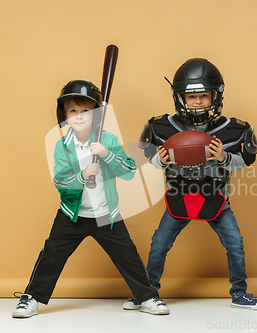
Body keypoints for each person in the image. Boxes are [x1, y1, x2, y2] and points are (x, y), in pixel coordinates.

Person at [13, 80, 169, 318]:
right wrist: (82, 174)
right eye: (72, 110)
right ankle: (31, 298)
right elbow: (61, 182)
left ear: (97, 115)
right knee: (51, 255)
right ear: (64, 115)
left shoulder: (107, 141)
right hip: (72, 214)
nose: (79, 116)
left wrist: (106, 155)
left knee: (128, 256)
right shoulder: (62, 147)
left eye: (86, 111)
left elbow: (128, 171)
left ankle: (147, 297)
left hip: (107, 214)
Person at [123, 58, 257, 310]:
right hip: (179, 197)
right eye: (192, 97)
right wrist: (160, 160)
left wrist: (223, 157)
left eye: (204, 95)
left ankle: (240, 293)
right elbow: (148, 161)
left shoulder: (232, 130)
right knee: (159, 245)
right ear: (180, 99)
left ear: (216, 96)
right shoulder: (162, 127)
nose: (198, 102)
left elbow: (243, 162)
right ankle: (147, 292)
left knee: (235, 244)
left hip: (216, 199)